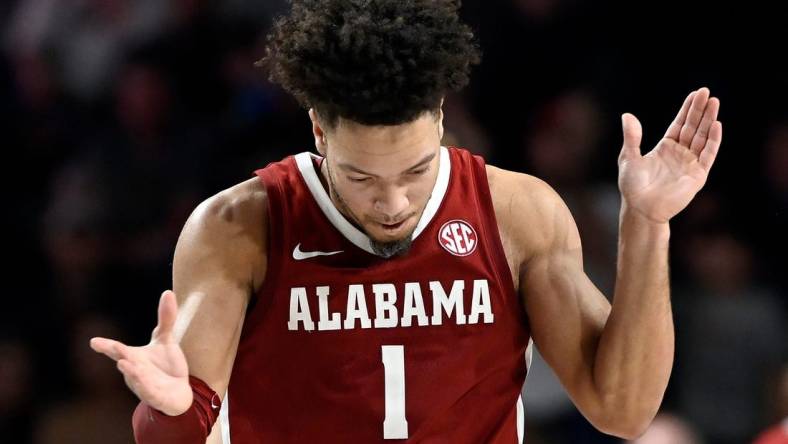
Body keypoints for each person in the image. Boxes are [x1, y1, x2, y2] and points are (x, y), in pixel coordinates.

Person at [89, 1, 723, 442]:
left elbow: (624, 410)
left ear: (442, 119)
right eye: (362, 177)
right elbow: (176, 432)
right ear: (318, 130)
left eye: (415, 172)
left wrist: (646, 223)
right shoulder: (240, 226)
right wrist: (170, 410)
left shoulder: (515, 213)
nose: (391, 202)